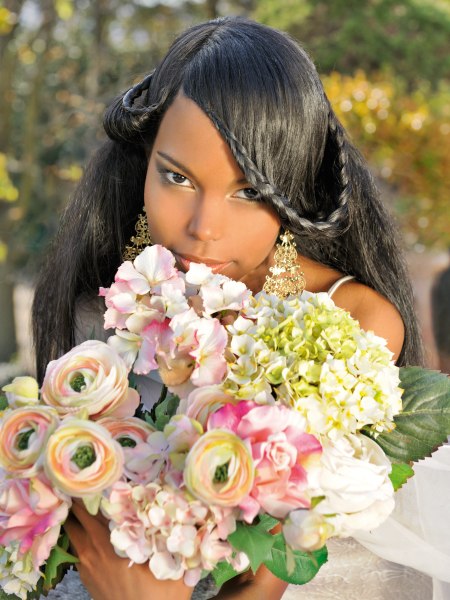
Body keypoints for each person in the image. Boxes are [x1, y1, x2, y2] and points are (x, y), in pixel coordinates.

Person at [31, 15, 447, 600]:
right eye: (176, 177)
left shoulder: (346, 326)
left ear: (295, 186)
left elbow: (267, 573)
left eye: (249, 191)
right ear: (145, 158)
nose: (204, 228)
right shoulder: (100, 304)